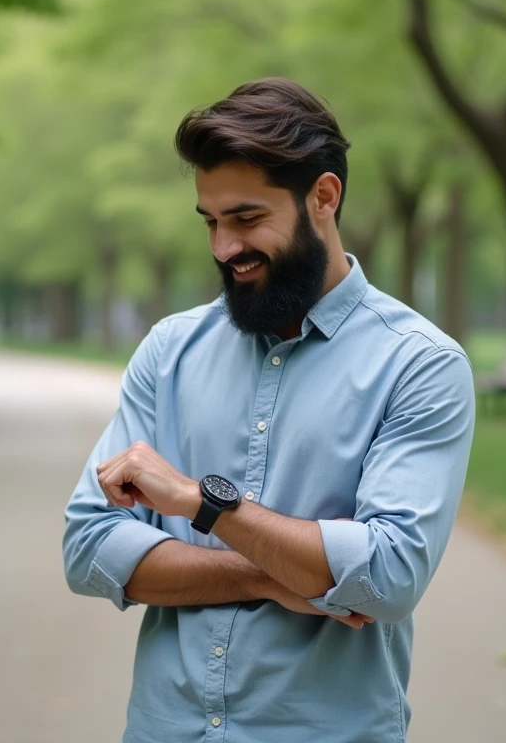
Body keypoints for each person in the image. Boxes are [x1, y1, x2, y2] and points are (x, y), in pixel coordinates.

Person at [62, 78, 476, 743]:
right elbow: (89, 549)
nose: (225, 248)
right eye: (212, 222)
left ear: (323, 197)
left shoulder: (420, 365)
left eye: (247, 219)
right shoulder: (170, 350)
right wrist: (275, 575)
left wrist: (203, 504)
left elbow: (388, 578)